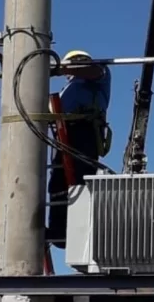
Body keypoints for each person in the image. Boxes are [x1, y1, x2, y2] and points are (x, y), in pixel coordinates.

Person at [46, 50, 112, 248]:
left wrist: (57, 68)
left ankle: (79, 230)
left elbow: (92, 71)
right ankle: (58, 232)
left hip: (85, 132)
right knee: (58, 184)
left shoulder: (97, 75)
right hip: (63, 135)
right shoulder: (69, 88)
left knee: (80, 180)